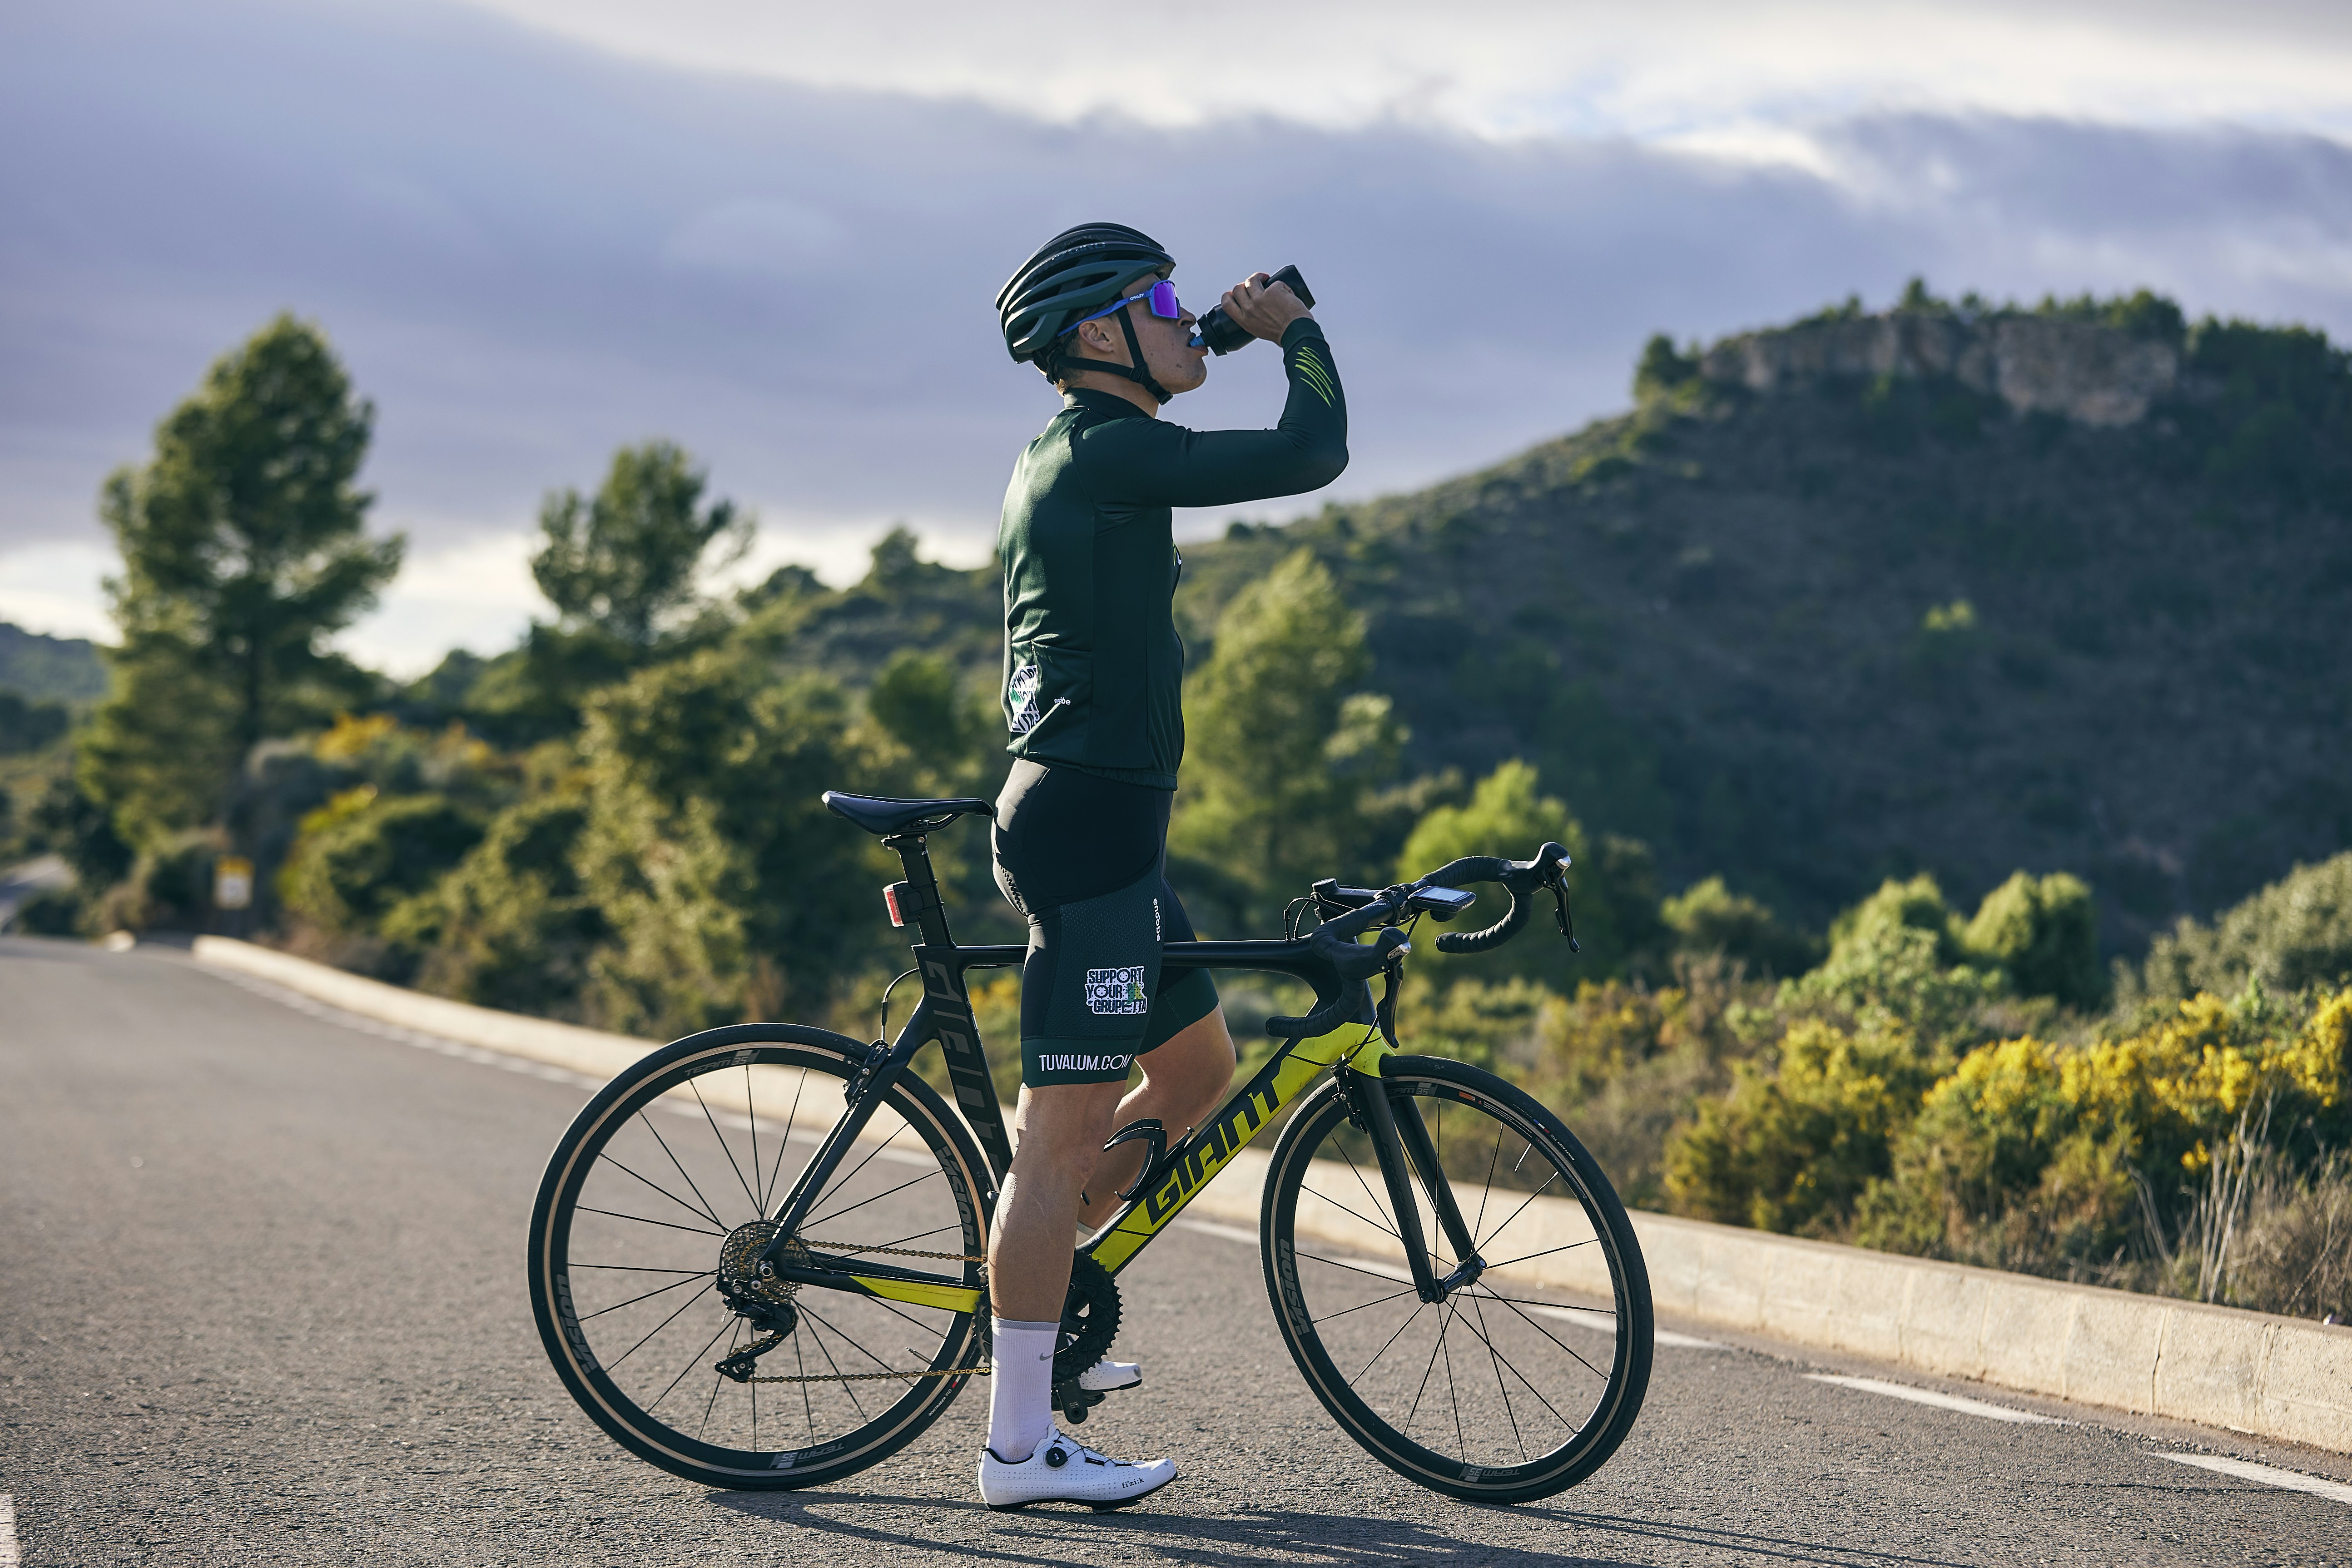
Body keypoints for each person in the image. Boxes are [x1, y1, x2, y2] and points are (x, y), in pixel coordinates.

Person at [977, 222, 1349, 1509]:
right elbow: (1313, 452)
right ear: (1096, 334)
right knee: (1056, 1135)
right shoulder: (1110, 451)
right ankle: (1018, 1446)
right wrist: (1294, 334)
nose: (1187, 313)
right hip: (1086, 827)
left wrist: (1217, 337)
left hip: (1099, 824)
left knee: (1195, 1072)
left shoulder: (1071, 449)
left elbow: (1176, 366)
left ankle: (1055, 1284)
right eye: (1161, 299)